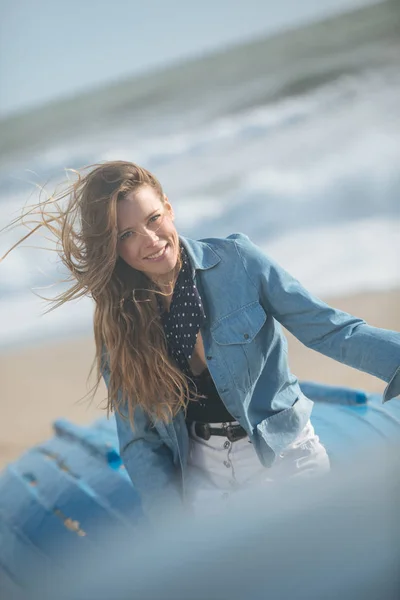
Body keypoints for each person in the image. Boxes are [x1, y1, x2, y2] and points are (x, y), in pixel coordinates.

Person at [3, 160, 400, 524]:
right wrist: (169, 522)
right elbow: (140, 440)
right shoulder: (119, 322)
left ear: (169, 209)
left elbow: (329, 329)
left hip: (284, 452)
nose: (149, 239)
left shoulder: (239, 262)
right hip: (205, 475)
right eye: (127, 234)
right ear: (114, 248)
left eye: (153, 219)